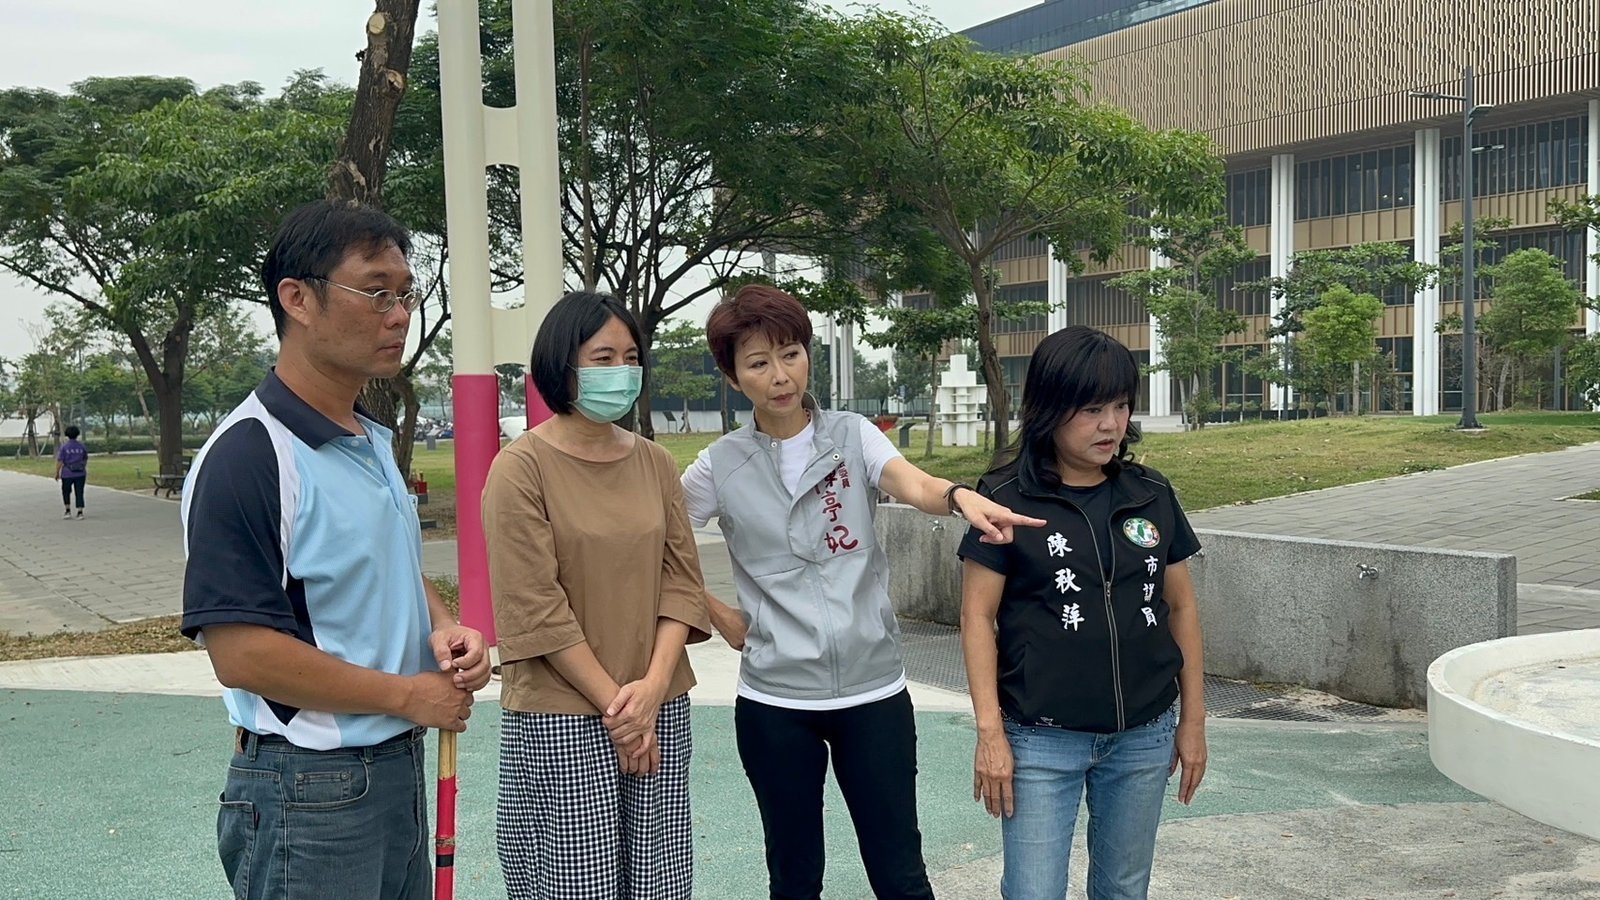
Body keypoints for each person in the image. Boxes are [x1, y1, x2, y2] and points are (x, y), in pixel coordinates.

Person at [684, 283, 1044, 900]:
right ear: (732, 375)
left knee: (900, 875)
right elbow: (658, 542)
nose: (780, 376)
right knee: (794, 878)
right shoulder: (719, 465)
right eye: (758, 363)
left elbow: (912, 483)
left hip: (873, 691)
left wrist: (958, 497)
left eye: (791, 354)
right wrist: (717, 613)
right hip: (775, 700)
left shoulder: (853, 435)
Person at [180, 199, 491, 900]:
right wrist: (408, 694)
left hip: (395, 764)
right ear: (298, 299)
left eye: (406, 294)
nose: (400, 315)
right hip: (308, 788)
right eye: (376, 291)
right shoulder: (251, 454)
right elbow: (241, 653)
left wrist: (445, 627)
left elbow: (383, 565)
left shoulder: (368, 436)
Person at [958, 325, 1208, 900]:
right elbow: (976, 619)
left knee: (1123, 889)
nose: (1110, 425)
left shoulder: (1149, 492)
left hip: (1143, 734)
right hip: (1040, 739)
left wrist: (1192, 721)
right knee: (1033, 891)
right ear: (1050, 409)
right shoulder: (1004, 499)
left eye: (1120, 406)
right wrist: (990, 734)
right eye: (1092, 409)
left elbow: (1182, 606)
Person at [482, 291, 712, 900]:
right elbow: (536, 607)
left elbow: (681, 582)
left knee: (660, 878)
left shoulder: (657, 464)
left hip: (658, 705)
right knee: (573, 882)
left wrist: (651, 693)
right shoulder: (520, 469)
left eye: (630, 357)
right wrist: (621, 711)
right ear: (562, 365)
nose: (621, 371)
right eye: (603, 357)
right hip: (563, 712)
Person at [55, 425, 88, 519]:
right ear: (77, 434)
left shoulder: (64, 447)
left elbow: (60, 461)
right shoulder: (81, 446)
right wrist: (82, 466)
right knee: (79, 492)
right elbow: (85, 458)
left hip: (67, 473)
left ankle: (67, 510)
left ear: (67, 435)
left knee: (66, 491)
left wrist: (57, 473)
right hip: (80, 473)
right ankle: (80, 511)